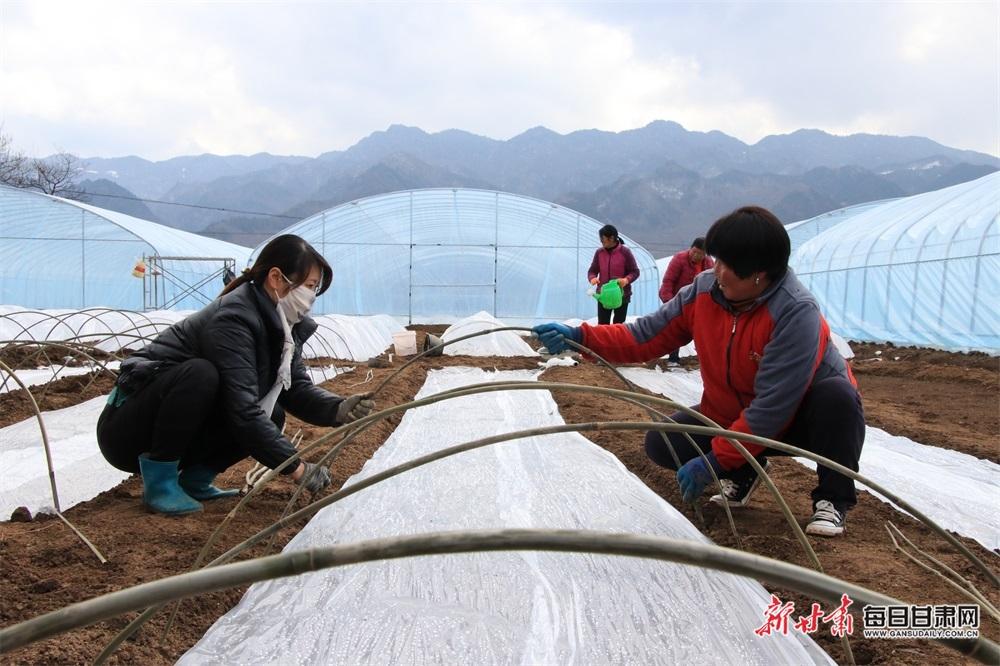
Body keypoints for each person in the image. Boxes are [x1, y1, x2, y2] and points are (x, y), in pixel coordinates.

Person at [535, 207, 864, 537]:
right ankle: (744, 470)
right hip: (734, 414)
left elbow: (774, 406)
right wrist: (580, 337)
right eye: (715, 260)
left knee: (836, 396)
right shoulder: (705, 291)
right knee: (663, 442)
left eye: (726, 265)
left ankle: (833, 498)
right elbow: (644, 335)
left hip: (800, 420)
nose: (716, 271)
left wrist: (716, 461)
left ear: (759, 274)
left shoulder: (794, 312)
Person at [96, 235, 375, 516]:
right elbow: (243, 410)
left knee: (273, 413)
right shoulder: (234, 318)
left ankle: (194, 480)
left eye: (316, 288)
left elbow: (296, 388)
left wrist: (337, 409)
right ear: (276, 278)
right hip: (126, 429)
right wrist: (298, 468)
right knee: (201, 375)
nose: (312, 296)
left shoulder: (283, 327)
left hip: (171, 423)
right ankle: (160, 483)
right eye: (309, 286)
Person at [658, 237, 714, 364]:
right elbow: (668, 281)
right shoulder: (679, 259)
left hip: (697, 302)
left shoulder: (709, 263)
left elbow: (712, 284)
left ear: (705, 254)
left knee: (701, 330)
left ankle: (704, 357)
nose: (696, 255)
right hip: (677, 299)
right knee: (675, 328)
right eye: (694, 251)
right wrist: (669, 302)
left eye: (700, 253)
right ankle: (673, 358)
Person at [587, 224, 640, 325]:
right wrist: (592, 278)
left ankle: (617, 341)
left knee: (618, 326)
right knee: (602, 326)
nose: (601, 242)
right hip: (603, 296)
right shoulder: (599, 253)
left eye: (602, 239)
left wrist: (626, 280)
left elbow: (635, 271)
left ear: (611, 238)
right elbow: (592, 270)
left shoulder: (625, 252)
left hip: (622, 295)